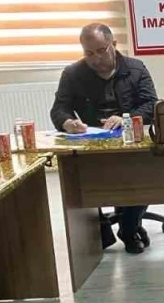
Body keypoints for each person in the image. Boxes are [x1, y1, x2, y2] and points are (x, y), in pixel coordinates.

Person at [49, 23, 158, 254]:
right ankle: (100, 231)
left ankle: (129, 228)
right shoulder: (73, 74)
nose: (96, 58)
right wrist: (68, 122)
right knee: (79, 180)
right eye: (89, 53)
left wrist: (126, 118)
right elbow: (59, 109)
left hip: (131, 143)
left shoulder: (135, 68)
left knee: (147, 176)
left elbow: (151, 105)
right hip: (92, 144)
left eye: (101, 50)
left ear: (114, 45)